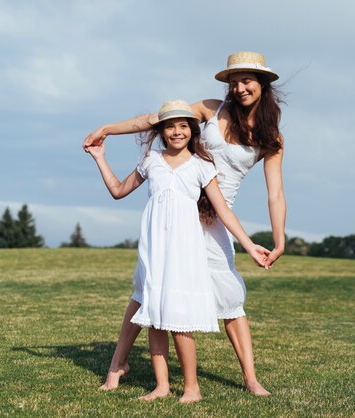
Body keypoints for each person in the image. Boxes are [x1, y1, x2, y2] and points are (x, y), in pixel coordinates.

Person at [83, 52, 286, 396]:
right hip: (173, 212)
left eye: (246, 80)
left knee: (230, 297)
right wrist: (107, 129)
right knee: (147, 288)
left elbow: (276, 194)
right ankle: (118, 362)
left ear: (263, 85)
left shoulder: (271, 137)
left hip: (216, 219)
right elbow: (156, 119)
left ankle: (251, 378)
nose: (239, 88)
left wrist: (278, 241)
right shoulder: (210, 108)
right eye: (233, 81)